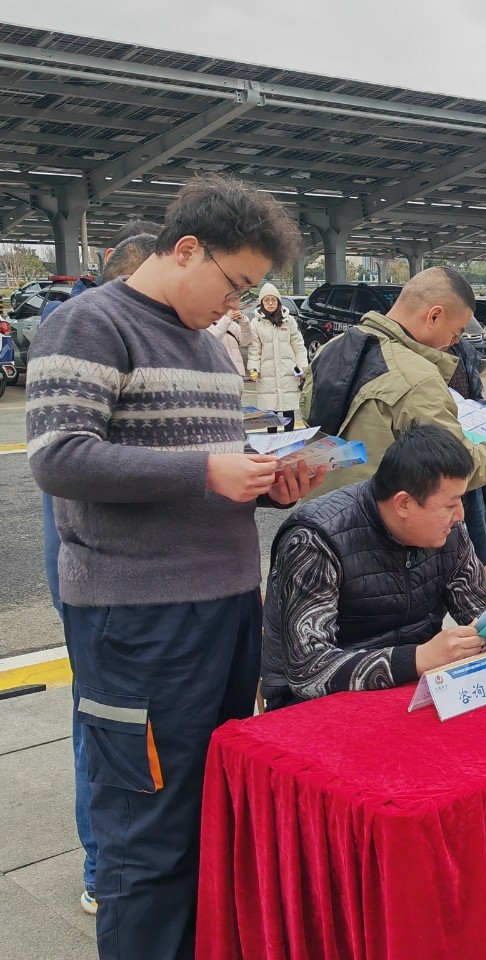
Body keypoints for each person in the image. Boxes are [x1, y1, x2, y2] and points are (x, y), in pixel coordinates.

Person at [26, 175, 323, 960]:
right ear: (185, 249)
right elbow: (60, 458)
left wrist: (268, 484)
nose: (237, 303)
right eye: (235, 283)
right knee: (149, 829)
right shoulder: (87, 324)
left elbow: (209, 469)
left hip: (224, 607)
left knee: (213, 815)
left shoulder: (207, 346)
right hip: (138, 621)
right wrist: (208, 470)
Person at [35, 224, 158, 920]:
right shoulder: (81, 333)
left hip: (121, 572)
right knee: (103, 719)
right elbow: (67, 461)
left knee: (114, 719)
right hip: (92, 570)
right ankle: (101, 870)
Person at [260, 424, 486, 709]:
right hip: (315, 706)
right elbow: (308, 670)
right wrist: (419, 658)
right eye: (450, 505)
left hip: (414, 688)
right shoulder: (316, 540)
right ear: (403, 504)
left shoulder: (448, 532)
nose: (460, 515)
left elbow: (477, 605)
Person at [303, 265, 486, 498]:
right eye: (455, 333)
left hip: (322, 511)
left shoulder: (329, 349)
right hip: (376, 521)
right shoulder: (417, 377)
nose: (454, 342)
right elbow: (457, 467)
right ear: (434, 316)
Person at [449, 334, 486, 564]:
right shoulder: (417, 362)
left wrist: (480, 408)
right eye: (456, 328)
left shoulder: (462, 349)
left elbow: (473, 392)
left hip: (472, 462)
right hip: (446, 465)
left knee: (480, 544)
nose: (458, 335)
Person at [247, 281, 308, 432]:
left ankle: (290, 438)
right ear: (261, 302)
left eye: (273, 300)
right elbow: (255, 349)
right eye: (266, 300)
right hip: (267, 373)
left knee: (288, 408)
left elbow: (298, 345)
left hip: (288, 371)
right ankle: (273, 440)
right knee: (270, 410)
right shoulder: (256, 323)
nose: (270, 303)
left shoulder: (289, 320)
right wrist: (254, 368)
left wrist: (302, 366)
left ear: (278, 302)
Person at [210, 306, 252, 376]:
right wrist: (227, 319)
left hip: (235, 369)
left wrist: (243, 321)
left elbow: (246, 341)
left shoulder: (234, 325)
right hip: (218, 371)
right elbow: (213, 340)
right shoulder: (207, 325)